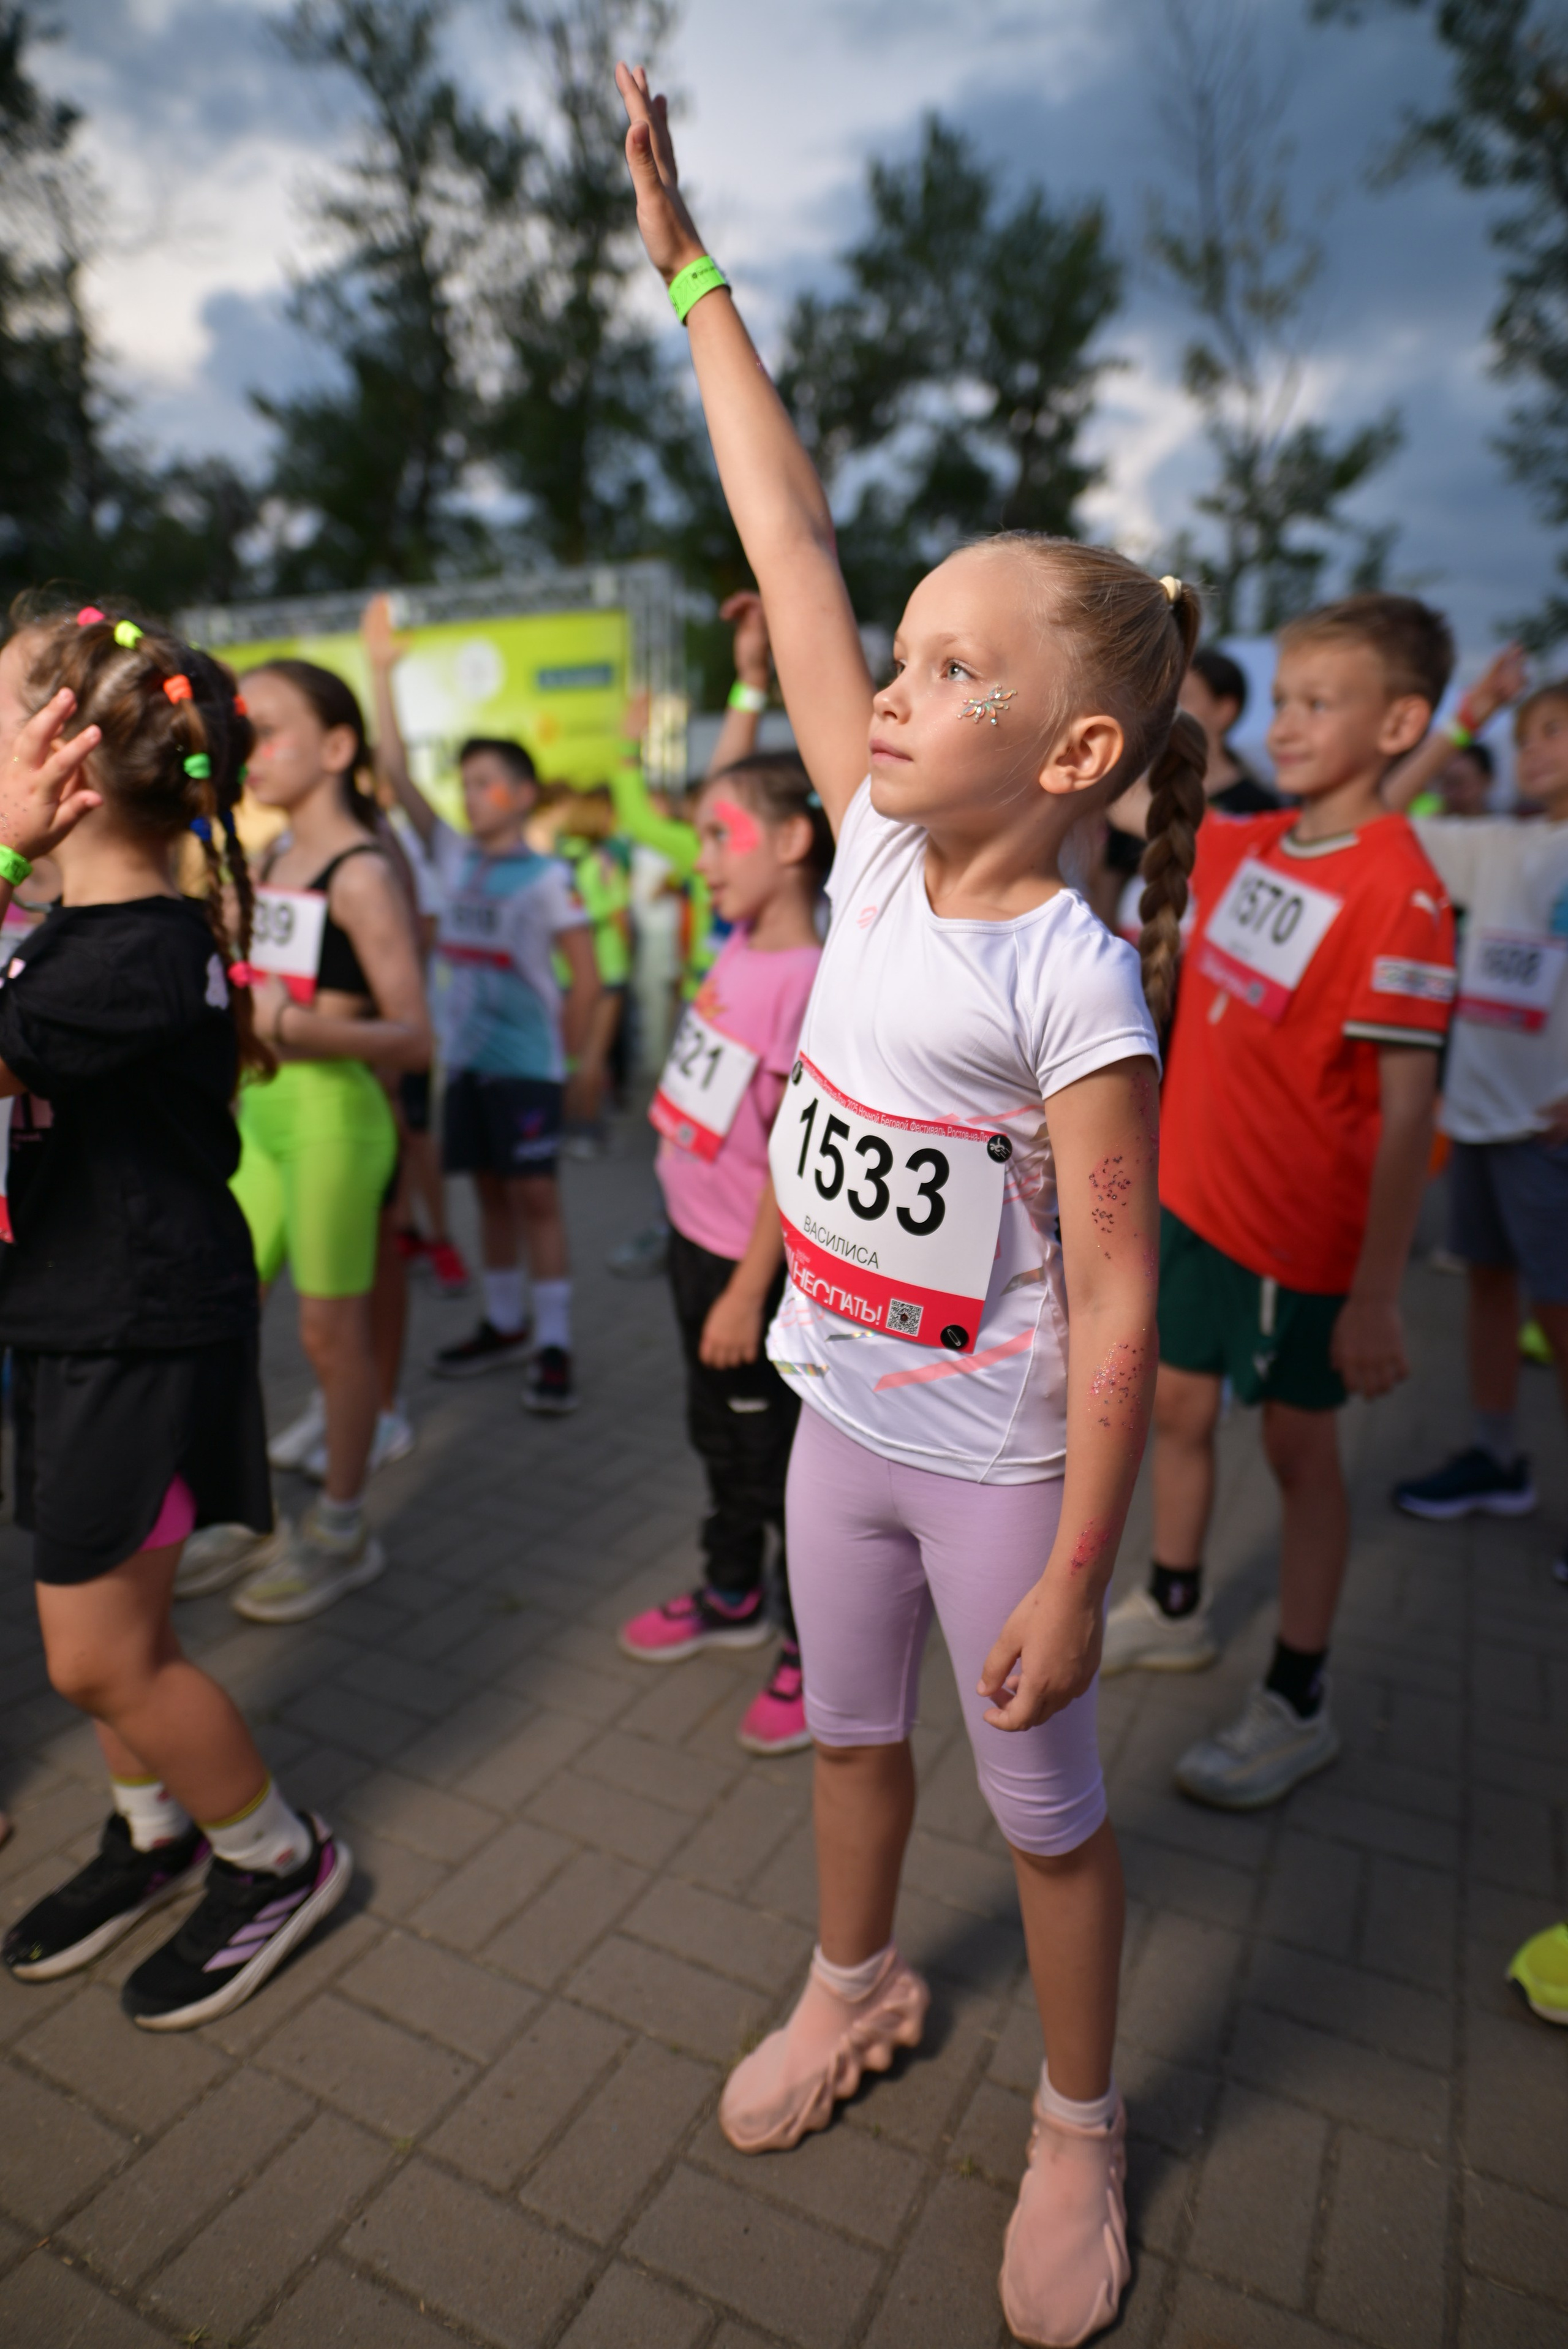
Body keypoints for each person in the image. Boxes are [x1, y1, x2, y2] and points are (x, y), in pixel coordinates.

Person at [616, 64, 1208, 2347]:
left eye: (954, 666)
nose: (892, 675)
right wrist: (687, 258)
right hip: (839, 1422)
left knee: (1047, 1815)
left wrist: (1076, 1565)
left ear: (1070, 759)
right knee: (852, 1741)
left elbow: (1125, 1287)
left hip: (999, 1467)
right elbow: (784, 527)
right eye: (906, 645)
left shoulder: (1068, 973)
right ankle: (854, 1981)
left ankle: (1081, 2125)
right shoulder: (865, 841)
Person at [0, 605, 350, 2027]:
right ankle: (156, 1831)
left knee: (98, 1652)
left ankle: (274, 1859)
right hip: (84, 1317)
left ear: (65, 763)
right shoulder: (85, 925)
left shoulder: (129, 950)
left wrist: (8, 851)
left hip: (132, 1332)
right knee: (98, 1621)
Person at [1102, 594, 1458, 1807]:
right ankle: (1177, 1605)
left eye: (1322, 702)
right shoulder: (1250, 842)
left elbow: (1410, 1114)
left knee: (1299, 1454)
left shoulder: (1400, 891)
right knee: (1176, 1415)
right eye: (1285, 697)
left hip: (1301, 1244)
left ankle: (1296, 1700)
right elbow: (1109, 794)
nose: (1290, 722)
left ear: (1400, 720)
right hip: (1192, 1202)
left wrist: (1375, 1298)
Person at [180, 660, 431, 1625]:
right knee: (220, 1314)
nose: (250, 746)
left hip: (336, 1120)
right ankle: (245, 1517)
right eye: (244, 727)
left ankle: (342, 1526)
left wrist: (297, 1028)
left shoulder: (364, 869)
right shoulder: (271, 855)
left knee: (331, 1336)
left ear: (335, 749)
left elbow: (415, 1037)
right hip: (265, 1118)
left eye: (269, 727)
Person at [618, 752, 829, 1756]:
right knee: (718, 1435)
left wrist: (750, 1291)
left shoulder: (811, 979)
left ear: (794, 844)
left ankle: (811, 1643)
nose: (698, 857)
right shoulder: (739, 938)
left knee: (780, 1459)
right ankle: (731, 1588)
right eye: (699, 835)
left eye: (718, 838)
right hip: (692, 1243)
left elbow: (796, 1153)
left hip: (756, 1270)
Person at [363, 596, 598, 1412]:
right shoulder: (453, 853)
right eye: (467, 783)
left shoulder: (550, 879)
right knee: (491, 1195)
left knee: (537, 1197)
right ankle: (504, 1322)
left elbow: (589, 978)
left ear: (528, 794)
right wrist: (382, 674)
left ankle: (555, 1339)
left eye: (491, 782)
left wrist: (578, 1064)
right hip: (464, 1065)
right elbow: (394, 774)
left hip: (529, 1069)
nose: (474, 795)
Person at [1381, 675, 1568, 1579]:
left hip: (1550, 1133)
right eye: (1527, 733)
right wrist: (1465, 722)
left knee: (1561, 1313)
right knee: (1489, 1287)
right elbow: (1383, 809)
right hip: (1485, 1117)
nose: (1534, 748)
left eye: (1555, 731)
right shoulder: (1495, 841)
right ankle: (1499, 1458)